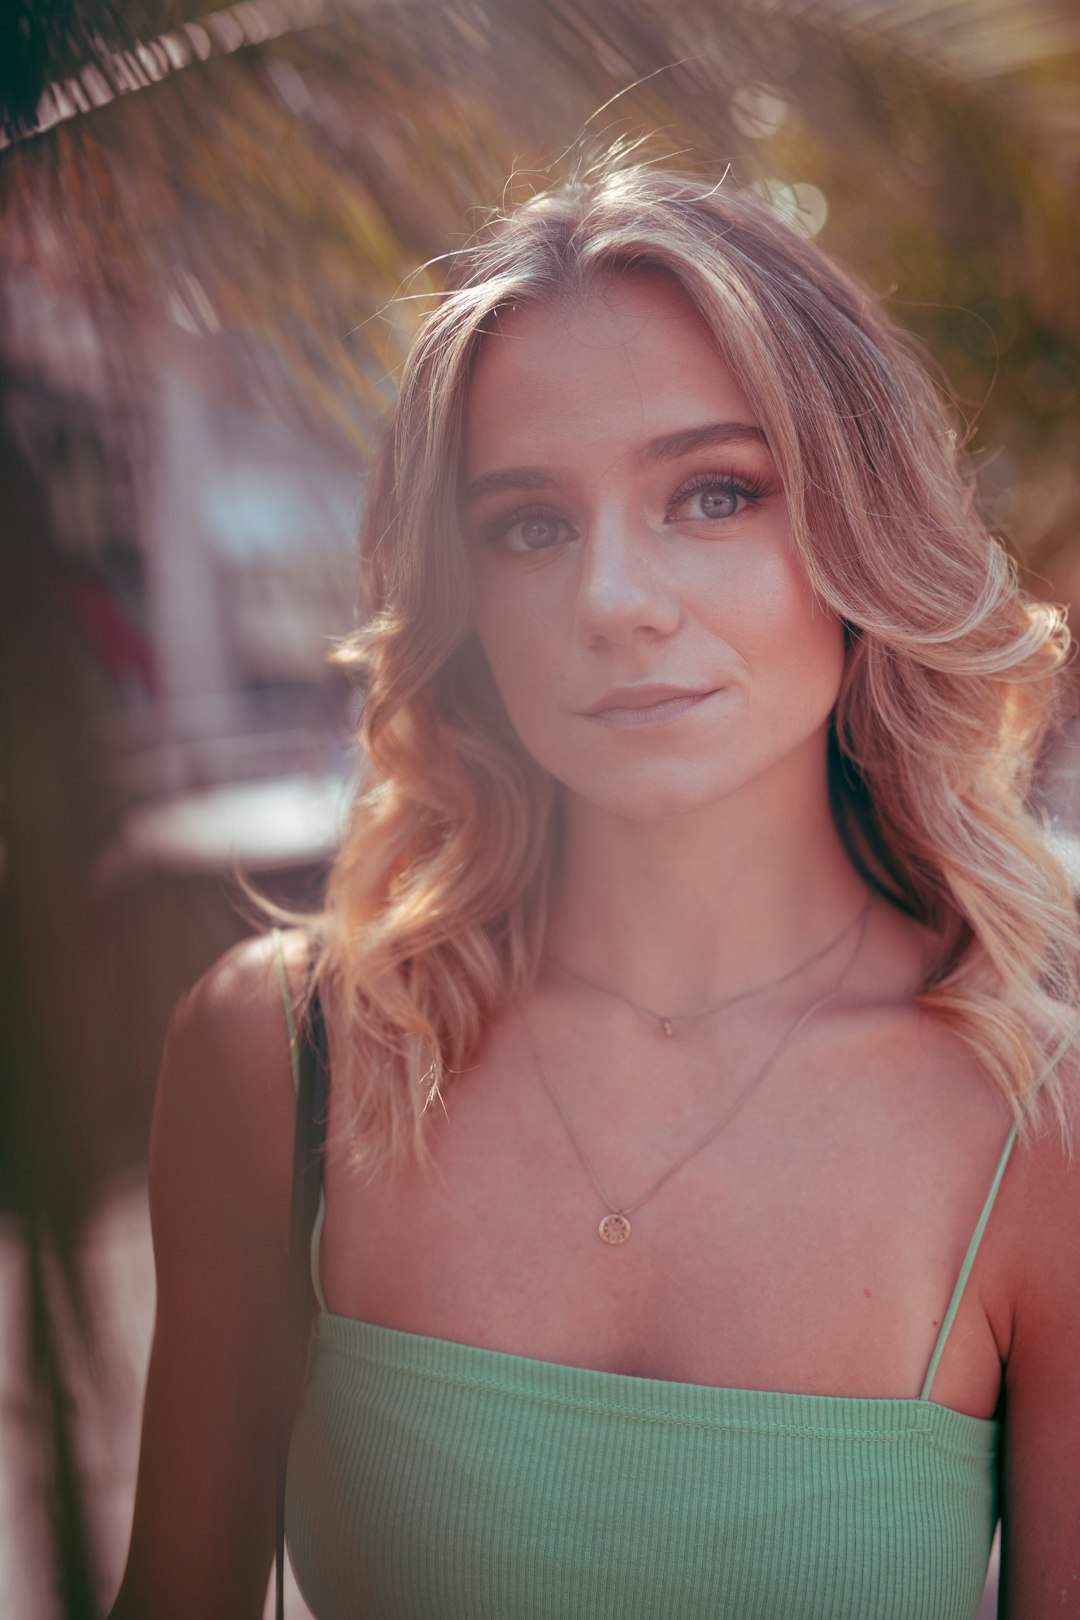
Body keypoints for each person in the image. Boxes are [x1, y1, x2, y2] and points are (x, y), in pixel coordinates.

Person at [109, 152, 1080, 1620]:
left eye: (713, 493)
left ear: (858, 535)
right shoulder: (289, 1057)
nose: (613, 599)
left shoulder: (1041, 1122)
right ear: (464, 594)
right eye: (530, 524)